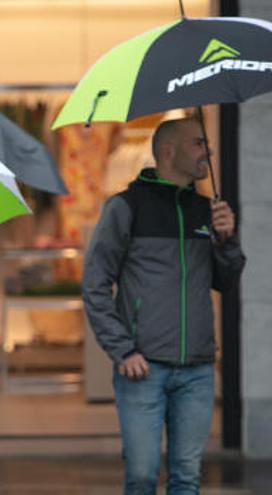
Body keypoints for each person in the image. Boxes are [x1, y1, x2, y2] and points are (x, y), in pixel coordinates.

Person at [82, 117, 246, 494]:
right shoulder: (126, 207)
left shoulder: (208, 210)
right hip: (143, 369)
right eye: (199, 144)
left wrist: (227, 240)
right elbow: (94, 284)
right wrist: (122, 349)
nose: (209, 151)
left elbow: (226, 282)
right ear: (169, 151)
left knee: (186, 477)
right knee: (141, 475)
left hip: (198, 370)